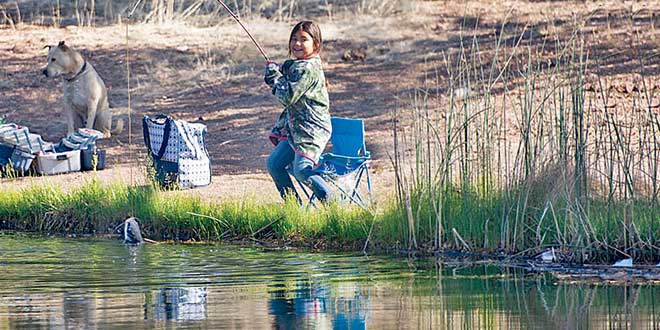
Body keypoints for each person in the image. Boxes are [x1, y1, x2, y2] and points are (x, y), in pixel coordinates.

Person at [265, 21, 333, 203]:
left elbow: (287, 97)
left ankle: (335, 205)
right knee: (274, 164)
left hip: (311, 130)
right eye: (294, 39)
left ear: (316, 44)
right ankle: (294, 208)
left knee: (302, 171)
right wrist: (280, 69)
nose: (297, 44)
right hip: (296, 129)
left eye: (304, 40)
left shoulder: (308, 68)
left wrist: (274, 78)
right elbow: (291, 70)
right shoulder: (299, 65)